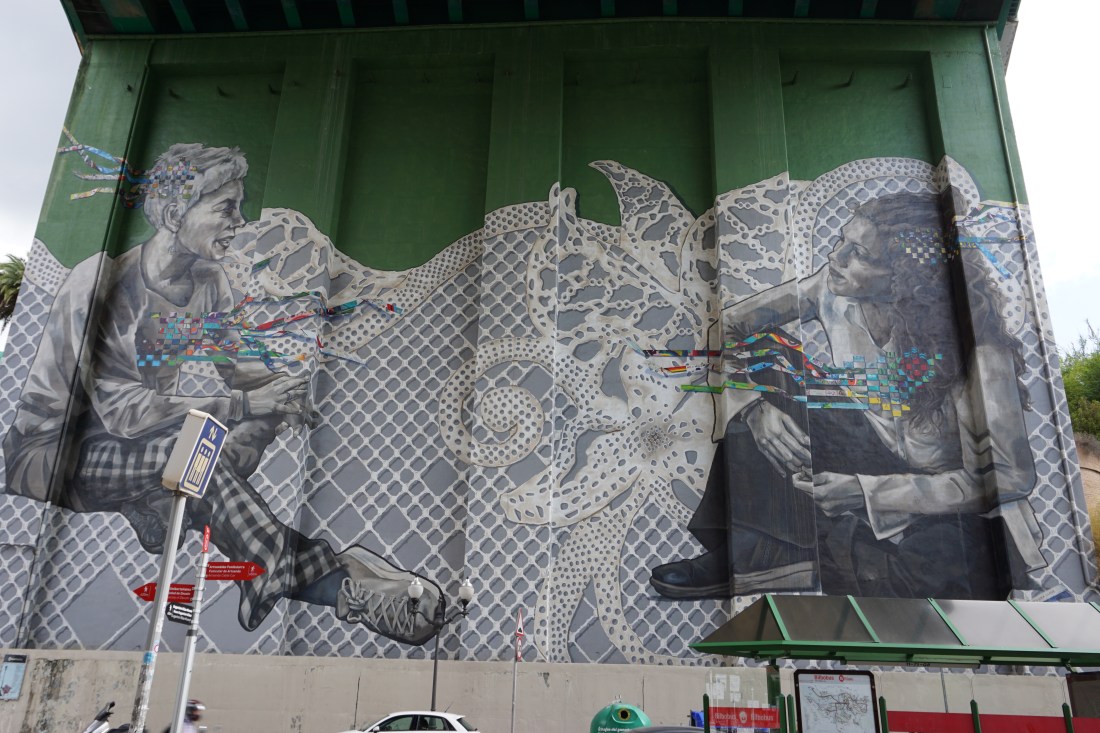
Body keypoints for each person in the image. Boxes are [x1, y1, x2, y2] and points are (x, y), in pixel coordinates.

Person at [3, 143, 440, 645]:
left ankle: (164, 504)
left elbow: (245, 372)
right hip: (54, 455)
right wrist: (245, 405)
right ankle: (326, 582)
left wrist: (278, 401)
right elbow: (124, 412)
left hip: (143, 448)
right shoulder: (104, 283)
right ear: (175, 214)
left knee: (229, 436)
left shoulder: (208, 282)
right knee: (193, 451)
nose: (240, 221)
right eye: (226, 207)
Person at [649, 191, 1043, 600]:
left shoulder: (980, 353)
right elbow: (730, 326)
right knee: (768, 359)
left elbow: (1010, 476)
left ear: (908, 278)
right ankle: (752, 548)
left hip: (941, 502)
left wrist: (865, 491)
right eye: (842, 241)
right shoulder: (830, 288)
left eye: (860, 254)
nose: (835, 257)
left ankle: (798, 556)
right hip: (867, 449)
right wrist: (752, 405)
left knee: (940, 572)